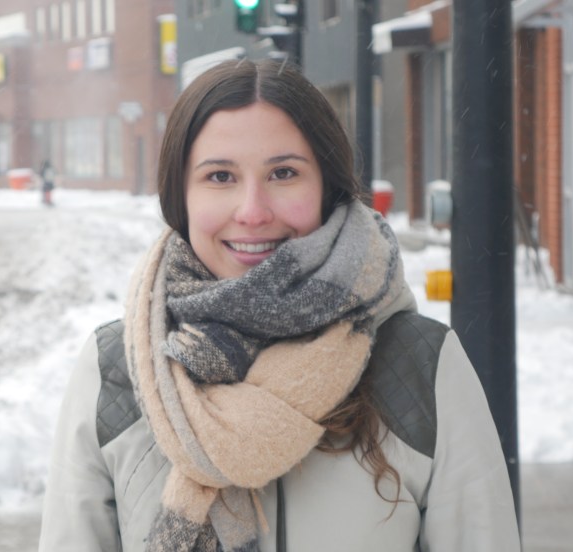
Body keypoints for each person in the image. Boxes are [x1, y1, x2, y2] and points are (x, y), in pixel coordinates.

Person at [39, 58, 520, 552]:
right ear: (180, 195)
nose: (252, 211)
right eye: (220, 176)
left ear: (327, 188)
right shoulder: (116, 371)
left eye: (283, 173)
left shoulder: (420, 365)